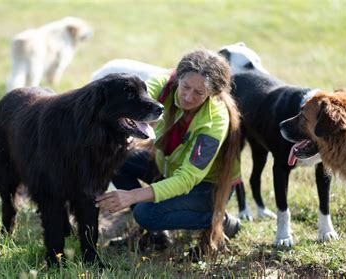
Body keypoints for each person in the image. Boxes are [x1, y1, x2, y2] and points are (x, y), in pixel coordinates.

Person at [95, 49, 242, 251]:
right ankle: (156, 234)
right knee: (116, 156)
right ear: (178, 78)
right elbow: (133, 101)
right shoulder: (163, 85)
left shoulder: (215, 121)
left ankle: (221, 220)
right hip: (169, 168)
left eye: (199, 93)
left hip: (206, 185)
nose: (188, 97)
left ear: (212, 94)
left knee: (146, 214)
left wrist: (133, 195)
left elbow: (187, 178)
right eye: (185, 87)